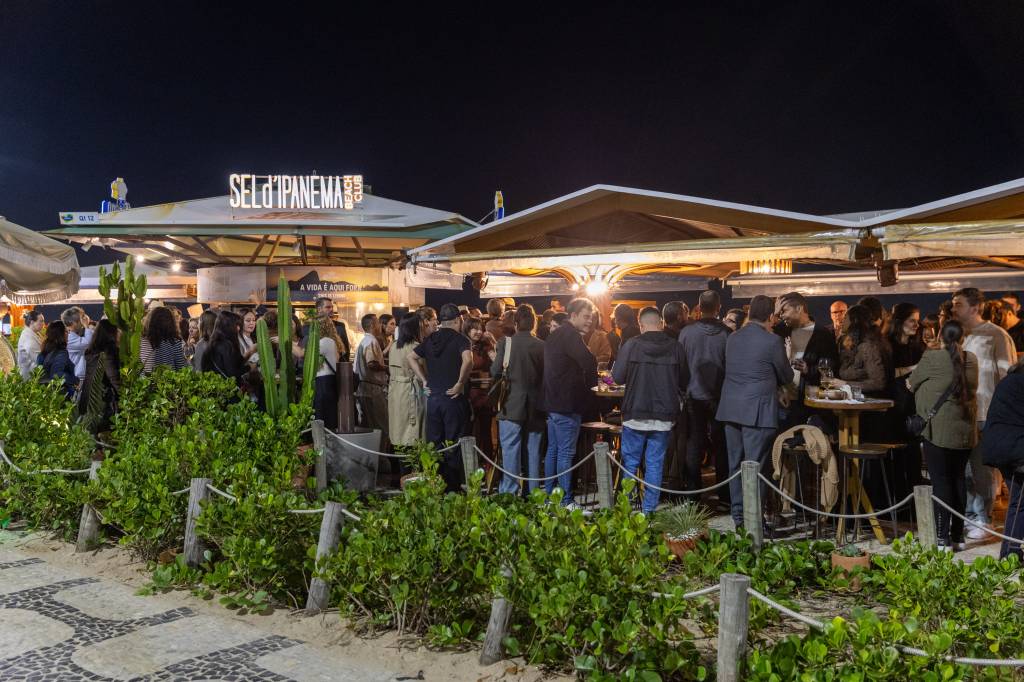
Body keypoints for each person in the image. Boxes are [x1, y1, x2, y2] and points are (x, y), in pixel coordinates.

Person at [716, 295, 793, 530]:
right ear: (770, 316)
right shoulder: (772, 341)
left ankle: (739, 518)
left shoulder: (733, 338)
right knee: (755, 468)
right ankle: (754, 521)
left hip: (730, 409)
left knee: (735, 466)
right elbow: (786, 376)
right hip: (758, 412)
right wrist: (787, 354)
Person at [952, 287, 1017, 538]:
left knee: (982, 469)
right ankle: (969, 515)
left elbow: (1007, 374)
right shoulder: (958, 336)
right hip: (961, 413)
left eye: (958, 304)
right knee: (965, 469)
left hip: (986, 412)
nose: (953, 309)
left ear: (975, 308)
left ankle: (984, 518)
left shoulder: (996, 335)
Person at [909, 320, 978, 551]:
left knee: (941, 482)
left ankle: (941, 538)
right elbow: (972, 387)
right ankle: (957, 537)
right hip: (965, 431)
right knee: (958, 480)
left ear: (940, 335)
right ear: (963, 337)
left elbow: (912, 382)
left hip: (937, 429)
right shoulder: (971, 359)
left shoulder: (932, 357)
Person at [612, 306, 688, 513]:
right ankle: (649, 511)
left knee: (630, 463)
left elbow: (617, 377)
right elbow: (685, 379)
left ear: (641, 324)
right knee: (655, 464)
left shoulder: (631, 345)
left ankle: (626, 510)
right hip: (664, 415)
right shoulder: (675, 347)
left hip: (635, 411)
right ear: (661, 323)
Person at [410, 303, 474, 492]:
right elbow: (468, 360)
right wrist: (460, 383)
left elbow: (410, 358)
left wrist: (424, 381)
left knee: (435, 443)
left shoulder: (430, 339)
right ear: (457, 320)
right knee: (453, 443)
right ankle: (452, 488)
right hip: (453, 399)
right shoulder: (461, 340)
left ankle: (436, 485)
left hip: (433, 399)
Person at [542, 298, 598, 507]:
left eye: (591, 317)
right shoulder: (571, 335)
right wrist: (593, 387)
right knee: (565, 452)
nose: (589, 321)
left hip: (552, 402)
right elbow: (589, 361)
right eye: (585, 316)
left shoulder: (554, 334)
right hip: (567, 404)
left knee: (553, 450)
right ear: (573, 315)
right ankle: (565, 500)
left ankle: (549, 497)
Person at [678, 290, 730, 498]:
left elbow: (681, 365)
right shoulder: (727, 333)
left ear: (699, 308)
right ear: (718, 308)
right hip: (720, 396)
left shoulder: (686, 333)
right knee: (721, 444)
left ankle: (693, 491)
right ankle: (724, 492)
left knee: (694, 443)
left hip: (693, 394)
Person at [491, 304, 546, 495]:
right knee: (533, 451)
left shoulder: (505, 343)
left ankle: (510, 492)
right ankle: (532, 492)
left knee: (510, 450)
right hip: (536, 405)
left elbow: (495, 371)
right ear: (533, 323)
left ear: (515, 323)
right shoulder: (541, 345)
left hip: (510, 404)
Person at [774, 291, 840, 427]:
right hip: (781, 401)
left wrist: (808, 369)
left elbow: (831, 367)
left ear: (799, 309)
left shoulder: (822, 334)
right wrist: (779, 390)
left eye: (784, 310)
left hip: (807, 404)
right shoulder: (780, 331)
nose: (781, 315)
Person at [981, 357, 1024, 559]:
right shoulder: (1019, 383)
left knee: (1018, 501)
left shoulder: (1011, 380)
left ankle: (1010, 552)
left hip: (1002, 445)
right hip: (1014, 449)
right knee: (1019, 501)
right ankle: (1010, 554)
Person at [886, 302, 927, 497]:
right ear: (900, 321)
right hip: (892, 407)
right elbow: (885, 375)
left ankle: (912, 506)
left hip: (913, 408)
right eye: (912, 321)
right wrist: (913, 369)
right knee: (895, 459)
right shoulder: (888, 345)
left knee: (912, 459)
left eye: (917, 321)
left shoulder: (918, 346)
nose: (916, 325)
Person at [78, 319, 122, 434]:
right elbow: (113, 377)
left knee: (93, 433)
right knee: (106, 433)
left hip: (90, 396)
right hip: (104, 399)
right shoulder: (109, 351)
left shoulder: (90, 351)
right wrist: (125, 396)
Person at [464, 318, 497, 463]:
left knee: (485, 431)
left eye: (480, 328)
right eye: (474, 328)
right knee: (469, 431)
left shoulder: (485, 345)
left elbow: (497, 360)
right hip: (467, 394)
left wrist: (494, 343)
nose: (478, 331)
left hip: (483, 394)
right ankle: (470, 464)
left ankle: (488, 465)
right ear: (467, 329)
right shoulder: (462, 345)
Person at [836, 305, 887, 396]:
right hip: (854, 400)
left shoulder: (867, 346)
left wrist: (845, 385)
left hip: (869, 403)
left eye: (846, 318)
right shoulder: (850, 345)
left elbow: (878, 383)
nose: (842, 321)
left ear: (854, 321)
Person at [390, 315, 426, 448]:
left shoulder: (394, 346)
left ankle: (401, 468)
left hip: (395, 392)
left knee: (398, 431)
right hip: (412, 393)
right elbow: (423, 373)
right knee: (413, 433)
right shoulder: (416, 347)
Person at [354, 313, 389, 445]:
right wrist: (386, 368)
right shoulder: (371, 341)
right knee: (380, 426)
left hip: (366, 388)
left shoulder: (365, 341)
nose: (381, 325)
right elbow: (371, 363)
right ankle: (381, 459)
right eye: (378, 323)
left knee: (369, 426)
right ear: (372, 325)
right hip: (372, 390)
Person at [313, 317, 345, 430]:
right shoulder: (332, 341)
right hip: (329, 381)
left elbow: (305, 354)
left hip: (323, 382)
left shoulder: (324, 342)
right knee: (329, 414)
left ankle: (323, 444)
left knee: (322, 415)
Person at [202, 311, 247, 387]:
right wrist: (248, 368)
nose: (238, 328)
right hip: (227, 392)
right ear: (228, 326)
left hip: (215, 389)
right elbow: (232, 374)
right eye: (236, 325)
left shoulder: (213, 343)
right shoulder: (226, 345)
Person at [140, 307, 188, 374]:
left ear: (149, 321)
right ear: (171, 322)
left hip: (143, 383)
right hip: (167, 382)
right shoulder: (174, 342)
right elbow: (182, 369)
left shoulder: (141, 341)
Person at [38, 320, 77, 399]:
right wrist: (74, 381)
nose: (68, 335)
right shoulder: (61, 353)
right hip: (59, 396)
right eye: (66, 332)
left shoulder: (44, 351)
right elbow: (57, 374)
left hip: (45, 395)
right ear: (60, 335)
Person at [61, 307, 93, 383]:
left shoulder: (72, 334)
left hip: (77, 375)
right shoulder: (69, 337)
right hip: (76, 377)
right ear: (74, 323)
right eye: (81, 319)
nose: (83, 322)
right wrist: (86, 326)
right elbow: (89, 343)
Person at [17, 310, 45, 380]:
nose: (43, 323)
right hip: (29, 377)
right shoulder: (28, 337)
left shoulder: (33, 333)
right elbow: (38, 359)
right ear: (32, 322)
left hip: (34, 373)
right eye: (41, 321)